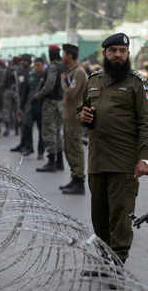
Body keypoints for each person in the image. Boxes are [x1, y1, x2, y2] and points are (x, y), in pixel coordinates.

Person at [79, 33, 148, 265]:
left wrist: (145, 159)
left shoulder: (136, 83)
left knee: (120, 216)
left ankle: (117, 263)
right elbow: (83, 110)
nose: (118, 55)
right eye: (113, 51)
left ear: (128, 54)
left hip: (124, 163)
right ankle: (105, 259)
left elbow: (145, 123)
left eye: (122, 51)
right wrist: (83, 116)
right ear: (104, 53)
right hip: (97, 160)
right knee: (99, 217)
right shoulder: (93, 80)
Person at [60, 44, 88, 195]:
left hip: (75, 117)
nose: (62, 56)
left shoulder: (78, 72)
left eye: (63, 54)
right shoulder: (71, 72)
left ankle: (79, 181)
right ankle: (74, 177)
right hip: (68, 115)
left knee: (75, 148)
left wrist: (64, 82)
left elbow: (71, 92)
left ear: (70, 56)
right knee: (68, 147)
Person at [33, 45, 65, 172]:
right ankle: (60, 162)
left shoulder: (52, 66)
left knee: (48, 132)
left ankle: (51, 162)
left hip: (50, 103)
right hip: (60, 102)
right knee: (57, 132)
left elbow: (49, 85)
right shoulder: (63, 66)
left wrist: (38, 95)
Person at [20, 57, 46, 158]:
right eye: (35, 65)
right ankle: (29, 147)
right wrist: (21, 106)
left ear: (43, 65)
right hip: (30, 106)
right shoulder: (30, 76)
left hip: (41, 106)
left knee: (41, 130)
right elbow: (24, 92)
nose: (36, 67)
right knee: (27, 126)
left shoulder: (46, 76)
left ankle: (41, 152)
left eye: (38, 65)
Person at [11, 54, 32, 151]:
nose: (23, 62)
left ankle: (27, 146)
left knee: (26, 124)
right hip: (20, 99)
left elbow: (26, 87)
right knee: (21, 123)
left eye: (25, 61)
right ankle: (22, 144)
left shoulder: (30, 72)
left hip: (27, 101)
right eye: (22, 60)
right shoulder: (20, 71)